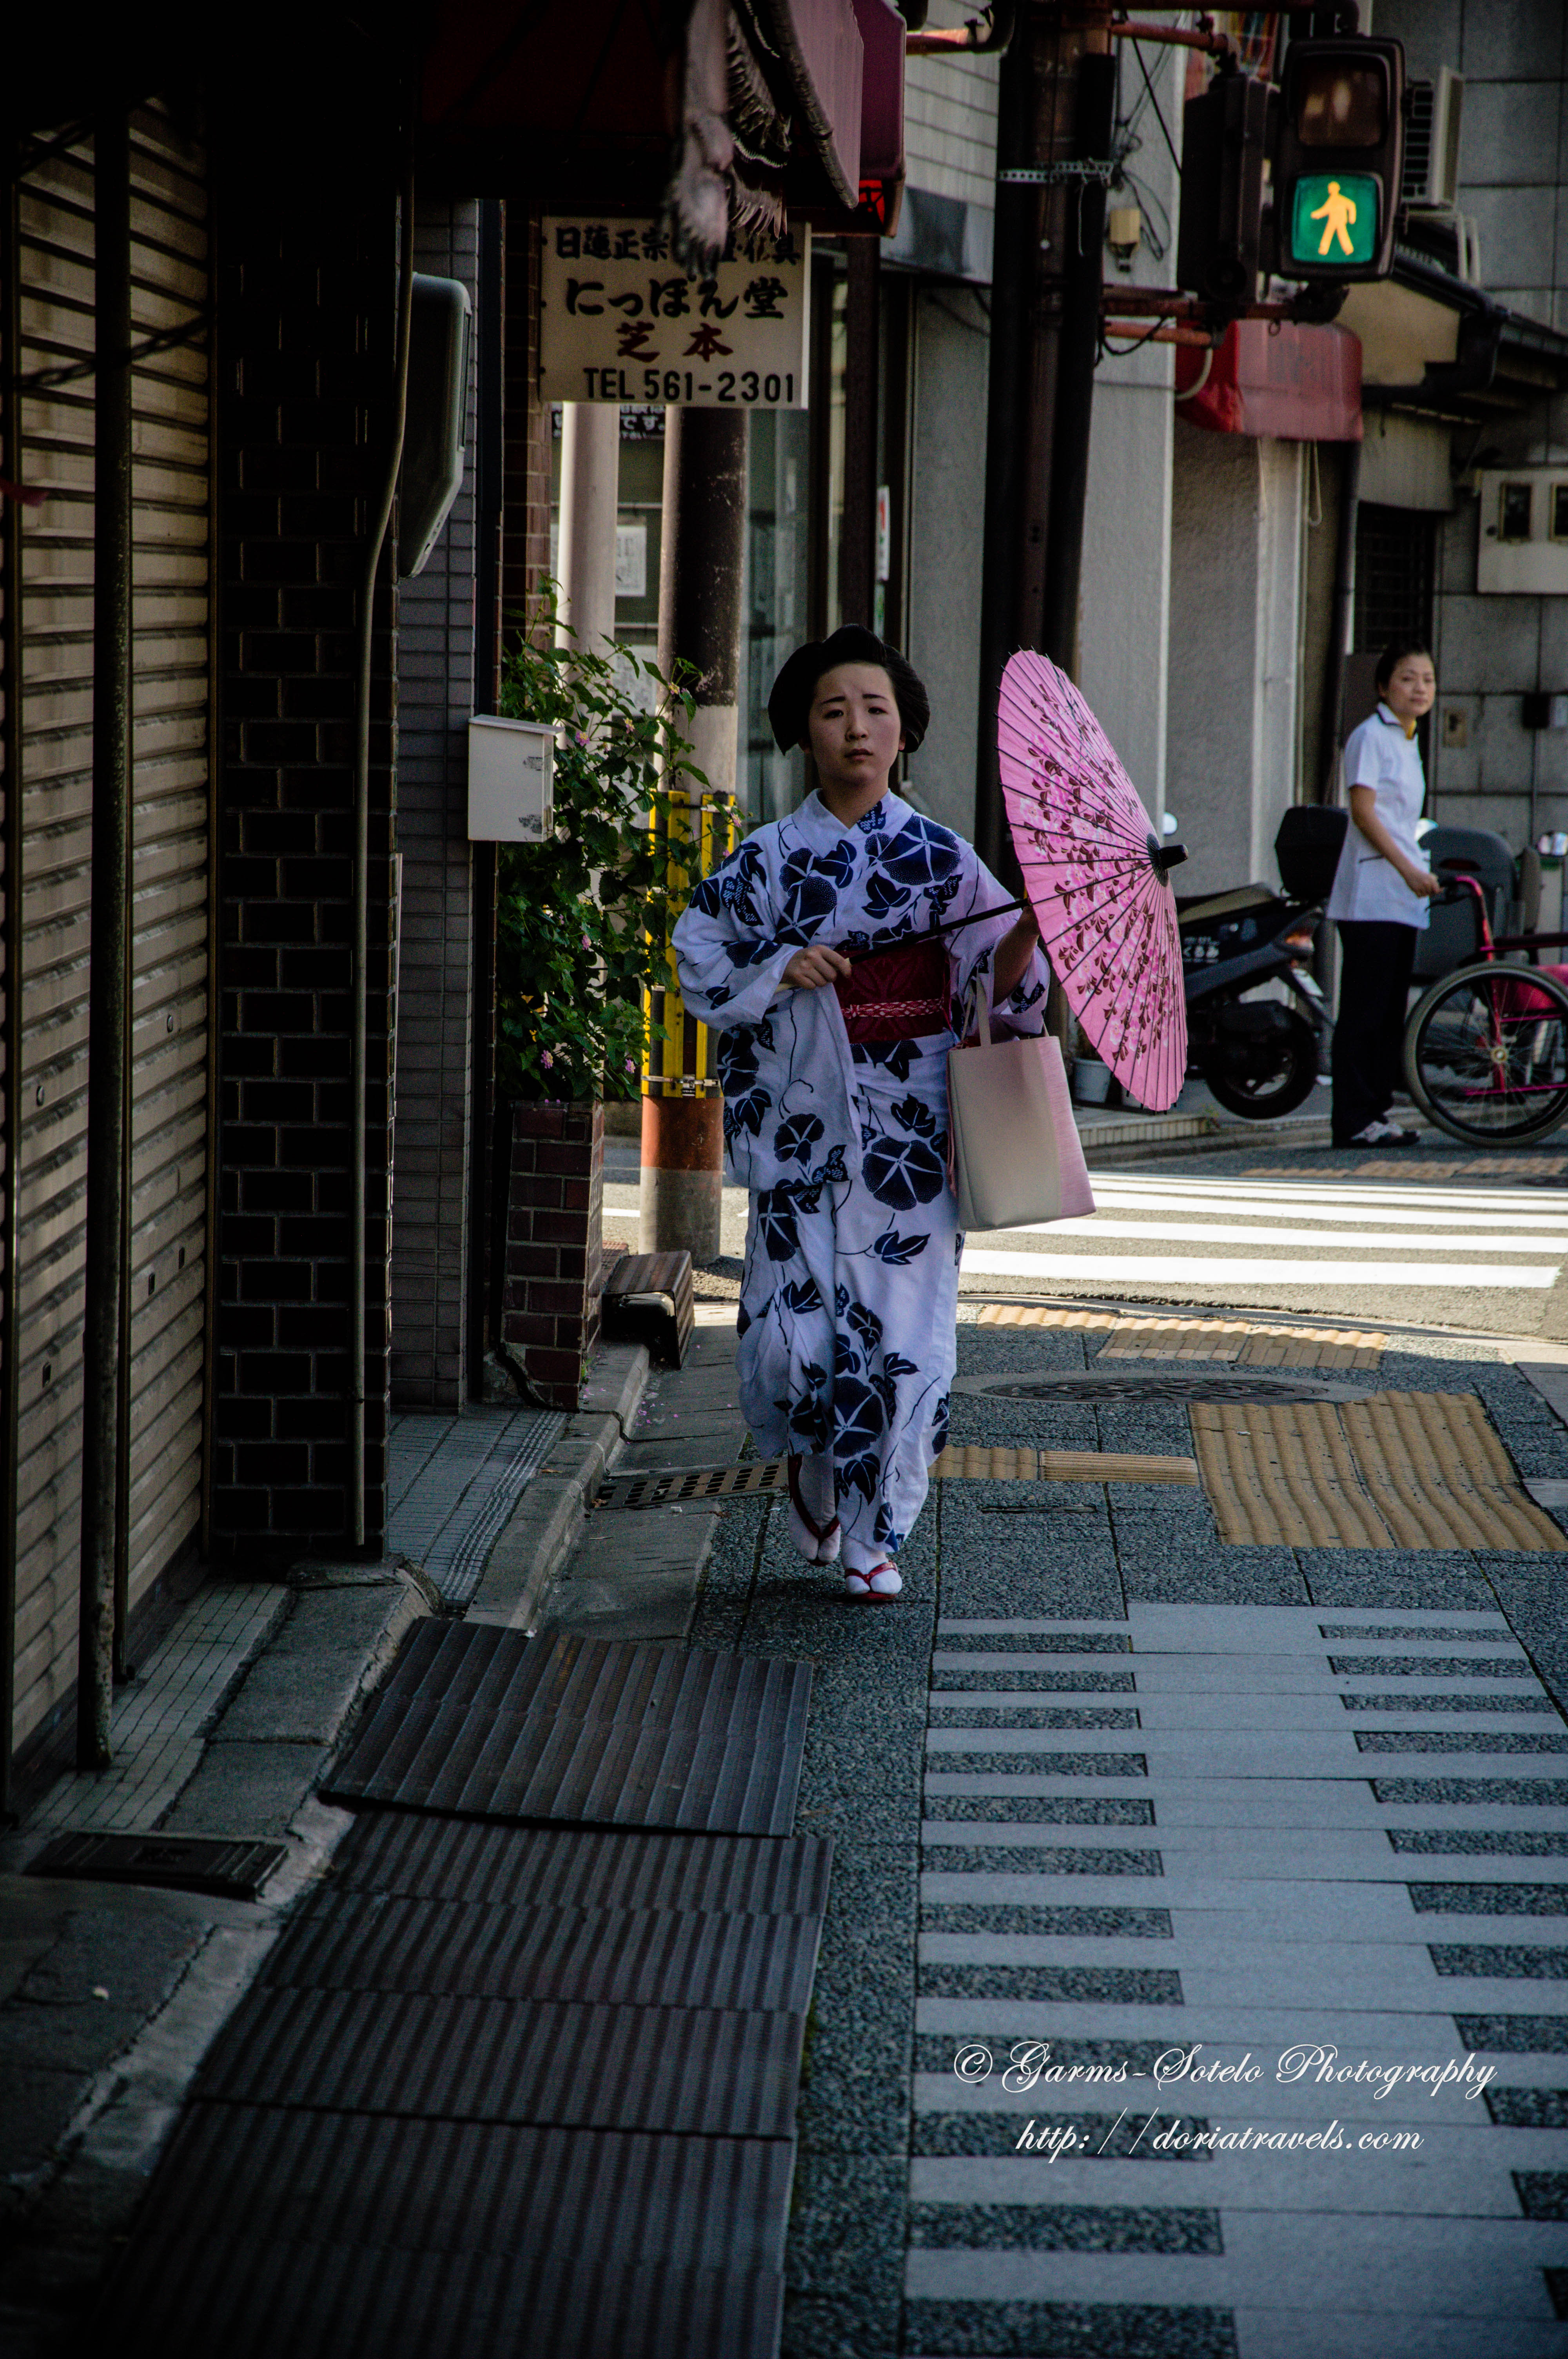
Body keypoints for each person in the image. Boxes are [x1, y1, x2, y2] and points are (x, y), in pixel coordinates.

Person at [672, 625, 1047, 1600]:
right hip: (802, 1126)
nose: (856, 728)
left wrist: (1033, 926)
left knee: (905, 1342)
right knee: (788, 1346)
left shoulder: (942, 858)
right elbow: (697, 954)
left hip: (911, 1134)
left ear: (903, 732)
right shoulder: (764, 858)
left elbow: (1002, 987)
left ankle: (873, 1534)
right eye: (834, 709)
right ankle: (810, 1466)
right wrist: (777, 968)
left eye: (875, 710)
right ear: (805, 729)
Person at [1326, 640, 1443, 1148]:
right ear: (1382, 686)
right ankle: (1353, 1120)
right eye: (1408, 678)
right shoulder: (1370, 737)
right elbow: (1365, 813)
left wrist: (1417, 872)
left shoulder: (1407, 739)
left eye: (1428, 680)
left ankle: (1376, 1114)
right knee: (1365, 1010)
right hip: (1373, 892)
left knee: (1389, 1012)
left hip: (1400, 895)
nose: (1419, 688)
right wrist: (1406, 869)